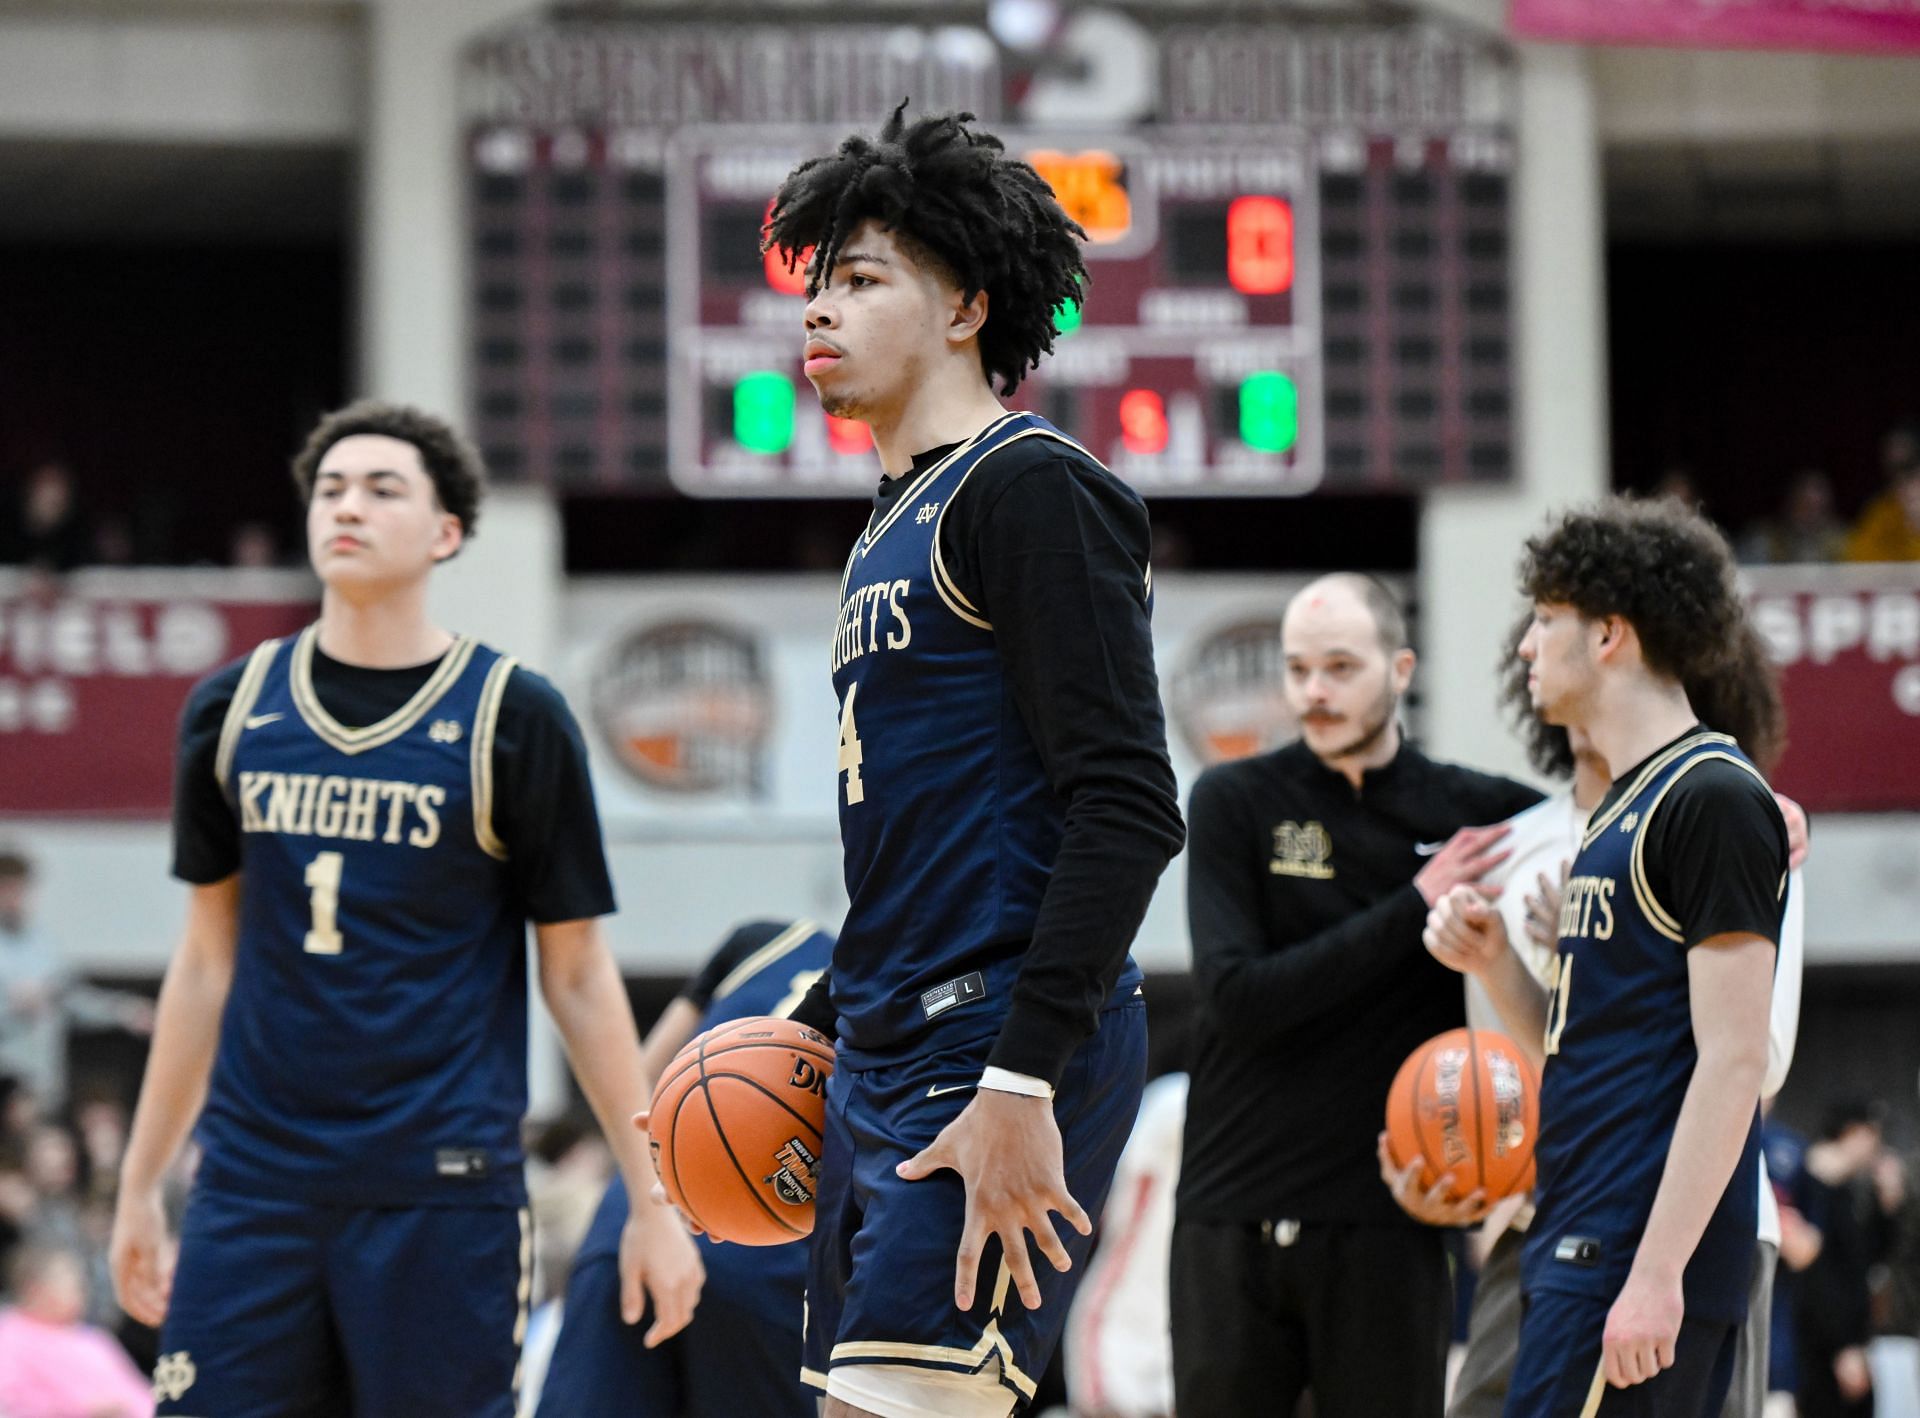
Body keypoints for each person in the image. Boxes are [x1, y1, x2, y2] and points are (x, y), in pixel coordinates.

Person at [106, 400, 702, 1417]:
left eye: (383, 489)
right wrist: (139, 1183)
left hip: (442, 1183)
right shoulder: (231, 709)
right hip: (255, 1183)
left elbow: (577, 975)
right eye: (331, 488)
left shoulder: (515, 716)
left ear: (446, 533)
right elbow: (207, 960)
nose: (348, 505)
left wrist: (650, 1196)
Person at [753, 104, 1186, 1418]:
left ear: (965, 309)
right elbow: (929, 836)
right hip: (886, 1044)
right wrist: (814, 1021)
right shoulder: (887, 524)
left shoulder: (1031, 489)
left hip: (988, 1043)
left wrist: (1023, 1073)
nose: (820, 310)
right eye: (816, 284)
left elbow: (1128, 804)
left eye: (863, 278)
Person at [1427, 496, 1790, 1417]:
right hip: (1576, 1229)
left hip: (1632, 1254)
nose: (1524, 646)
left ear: (1609, 637)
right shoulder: (1616, 813)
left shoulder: (1711, 798)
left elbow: (1737, 1058)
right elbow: (1582, 1047)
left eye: (1546, 621)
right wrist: (1497, 961)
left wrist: (1658, 1274)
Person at [1173, 571, 1541, 1418]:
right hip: (1234, 1213)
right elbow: (1238, 999)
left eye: (1340, 667)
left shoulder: (1475, 816)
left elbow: (1622, 822)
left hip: (1392, 1219)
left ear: (1401, 669)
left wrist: (1751, 808)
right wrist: (1414, 904)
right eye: (1298, 669)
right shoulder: (1235, 799)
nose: (1314, 692)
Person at [537, 918, 834, 1418]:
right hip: (760, 1248)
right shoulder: (918, 979)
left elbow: (640, 1089)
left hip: (640, 1217)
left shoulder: (765, 939)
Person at [0, 848, 155, 1109]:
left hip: (40, 1084)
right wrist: (11, 1006)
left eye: (21, 890)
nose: (16, 899)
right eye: (8, 890)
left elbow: (72, 997)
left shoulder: (41, 943)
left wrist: (123, 1011)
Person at [1790, 1100, 1889, 1418]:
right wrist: (1842, 1346)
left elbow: (1863, 1262)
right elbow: (1815, 1275)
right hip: (1819, 1348)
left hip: (1845, 1340)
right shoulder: (1807, 1183)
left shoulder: (1848, 1190)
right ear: (1853, 1132)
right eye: (1872, 1135)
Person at [0, 1242, 154, 1418]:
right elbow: (13, 1403)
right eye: (68, 1279)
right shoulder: (10, 1337)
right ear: (35, 1289)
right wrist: (82, 1410)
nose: (81, 1289)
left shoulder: (94, 1338)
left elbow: (138, 1391)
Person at [1737, 470, 1846, 565]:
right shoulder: (1763, 540)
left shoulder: (1841, 543)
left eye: (1819, 509)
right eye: (1805, 506)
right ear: (1789, 505)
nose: (1811, 516)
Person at [1844, 458, 1920, 563]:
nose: (1909, 491)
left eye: (1915, 483)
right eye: (1902, 484)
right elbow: (1858, 556)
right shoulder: (1883, 514)